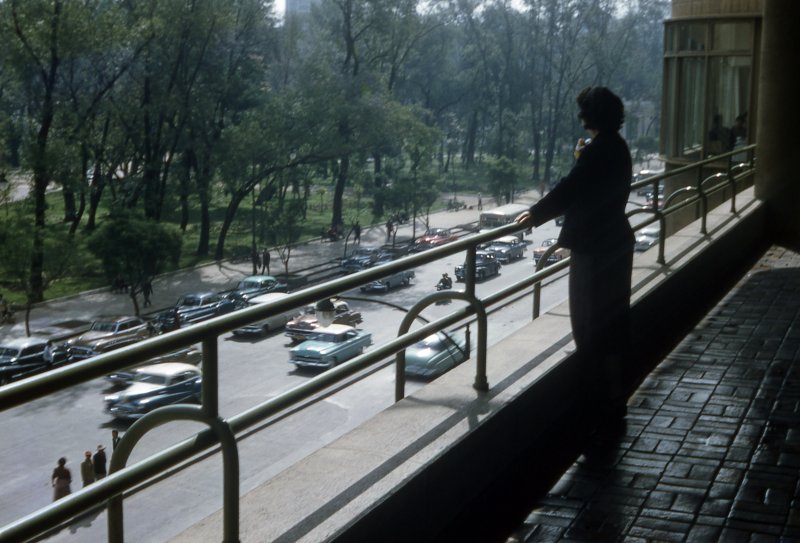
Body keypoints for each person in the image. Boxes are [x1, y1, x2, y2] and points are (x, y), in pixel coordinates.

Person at [516, 86, 634, 429]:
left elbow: (573, 188)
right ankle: (615, 398)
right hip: (615, 241)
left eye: (583, 112)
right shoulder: (617, 147)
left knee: (591, 324)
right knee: (613, 322)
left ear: (589, 117)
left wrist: (535, 214)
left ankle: (600, 402)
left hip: (595, 248)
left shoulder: (599, 152)